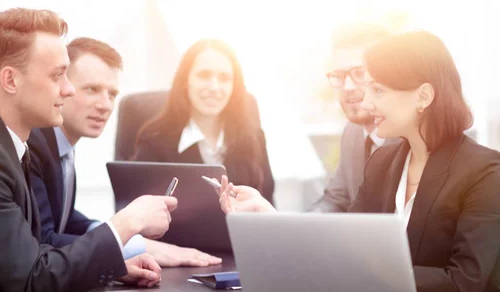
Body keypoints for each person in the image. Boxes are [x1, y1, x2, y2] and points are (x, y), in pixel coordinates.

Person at [0, 8, 177, 291]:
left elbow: (34, 254)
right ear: (10, 80)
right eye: (57, 75)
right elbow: (34, 279)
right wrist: (128, 221)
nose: (68, 89)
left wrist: (110, 268)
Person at [216, 31, 500, 292]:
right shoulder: (383, 163)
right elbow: (343, 244)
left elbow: (465, 281)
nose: (367, 103)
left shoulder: (484, 172)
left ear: (423, 96)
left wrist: (370, 271)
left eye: (379, 91)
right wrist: (270, 218)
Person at [28, 37, 221, 267]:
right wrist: (133, 243)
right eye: (92, 89)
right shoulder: (33, 145)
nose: (105, 105)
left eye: (111, 94)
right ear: (63, 86)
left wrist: (122, 233)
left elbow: (65, 219)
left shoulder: (62, 147)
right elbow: (44, 239)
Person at [133, 39, 275, 204]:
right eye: (204, 75)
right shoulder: (154, 140)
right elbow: (139, 210)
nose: (214, 87)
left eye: (224, 78)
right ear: (185, 80)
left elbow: (266, 201)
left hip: (242, 230)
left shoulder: (252, 137)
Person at [308, 22, 395, 212]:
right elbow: (336, 199)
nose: (347, 87)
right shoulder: (352, 134)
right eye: (339, 75)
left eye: (359, 73)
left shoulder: (413, 138)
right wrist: (289, 225)